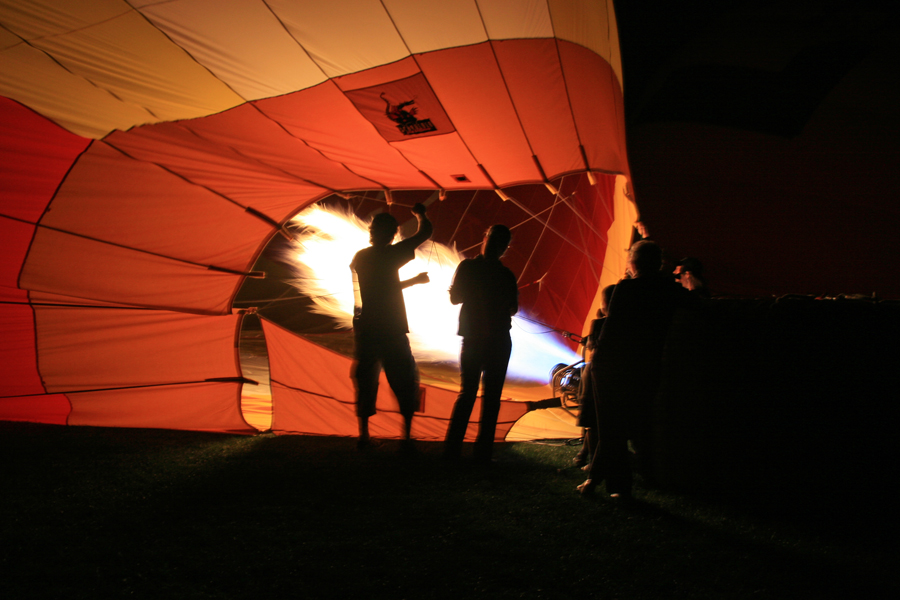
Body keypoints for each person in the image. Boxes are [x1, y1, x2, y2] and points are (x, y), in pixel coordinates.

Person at [578, 240, 698, 498]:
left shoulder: (626, 289)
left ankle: (615, 486)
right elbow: (698, 301)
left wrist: (596, 353)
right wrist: (689, 280)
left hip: (612, 365)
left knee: (611, 428)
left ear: (633, 263)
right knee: (633, 425)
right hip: (646, 366)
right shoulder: (669, 290)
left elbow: (611, 332)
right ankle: (599, 480)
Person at [350, 203, 432, 451]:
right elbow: (424, 233)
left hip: (366, 328)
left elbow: (369, 292)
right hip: (391, 328)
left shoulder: (360, 257)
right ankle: (406, 437)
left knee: (366, 379)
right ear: (393, 233)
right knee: (405, 378)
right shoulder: (391, 254)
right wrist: (420, 214)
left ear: (371, 231)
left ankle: (364, 437)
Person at [443, 225, 519, 463]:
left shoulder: (468, 267)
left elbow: (455, 298)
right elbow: (513, 308)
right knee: (491, 397)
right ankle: (482, 451)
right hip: (497, 339)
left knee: (468, 393)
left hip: (474, 338)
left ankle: (452, 450)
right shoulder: (506, 275)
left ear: (484, 238)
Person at [572, 284, 616, 468]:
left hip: (596, 375)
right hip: (614, 376)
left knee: (591, 421)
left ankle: (591, 461)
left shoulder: (599, 323)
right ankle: (587, 455)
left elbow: (591, 345)